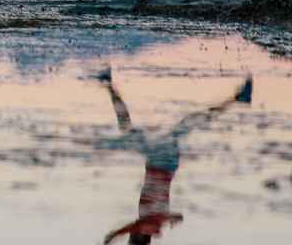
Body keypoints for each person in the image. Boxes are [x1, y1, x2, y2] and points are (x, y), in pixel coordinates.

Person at [94, 68, 253, 244]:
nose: (131, 235)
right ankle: (108, 84)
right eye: (132, 238)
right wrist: (114, 236)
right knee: (133, 127)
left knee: (185, 124)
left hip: (162, 162)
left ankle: (238, 99)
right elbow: (138, 226)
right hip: (160, 161)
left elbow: (175, 216)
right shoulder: (149, 226)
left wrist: (172, 218)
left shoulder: (154, 224)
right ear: (139, 237)